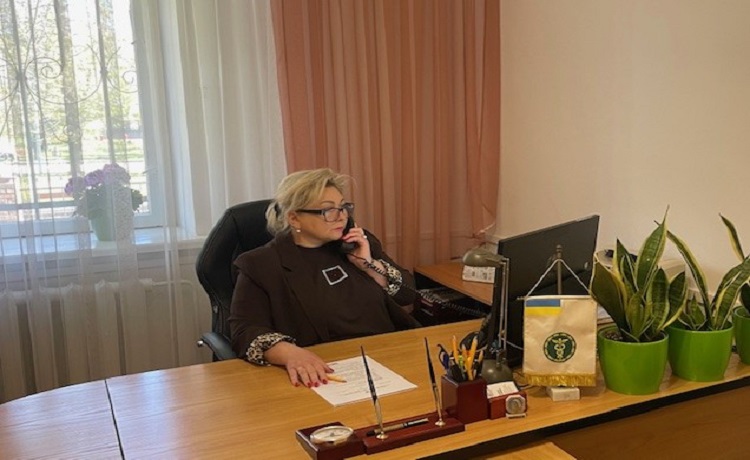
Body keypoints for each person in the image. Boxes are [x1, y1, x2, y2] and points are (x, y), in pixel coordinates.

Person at [229, 168, 419, 387]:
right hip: (324, 370)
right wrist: (290, 353)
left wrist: (369, 265)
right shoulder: (261, 264)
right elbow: (244, 331)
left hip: (387, 358)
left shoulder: (358, 244)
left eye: (343, 207)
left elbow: (407, 294)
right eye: (328, 210)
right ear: (294, 218)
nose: (342, 216)